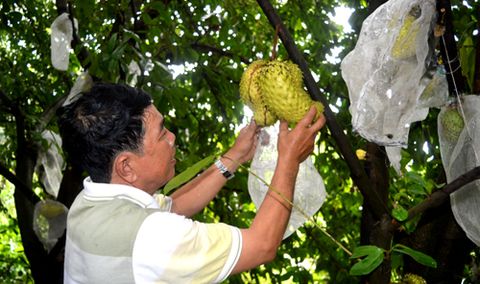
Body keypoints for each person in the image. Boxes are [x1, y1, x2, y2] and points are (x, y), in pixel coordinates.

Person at [58, 83, 325, 283]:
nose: (172, 137)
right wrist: (288, 160)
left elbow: (174, 206)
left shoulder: (89, 201)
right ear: (126, 166)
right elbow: (261, 245)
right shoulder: (152, 239)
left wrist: (235, 156)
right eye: (161, 133)